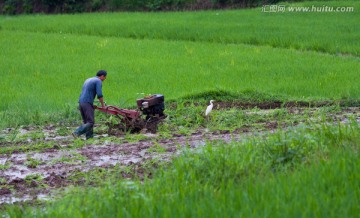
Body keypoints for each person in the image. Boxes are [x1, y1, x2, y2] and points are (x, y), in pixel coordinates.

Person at [72, 70, 107, 139]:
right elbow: (99, 94)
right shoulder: (98, 81)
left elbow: (86, 93)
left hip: (81, 103)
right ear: (102, 76)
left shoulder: (88, 80)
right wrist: (103, 105)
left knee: (87, 122)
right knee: (91, 122)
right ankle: (76, 132)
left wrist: (91, 105)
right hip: (87, 103)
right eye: (105, 77)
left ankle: (89, 138)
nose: (105, 79)